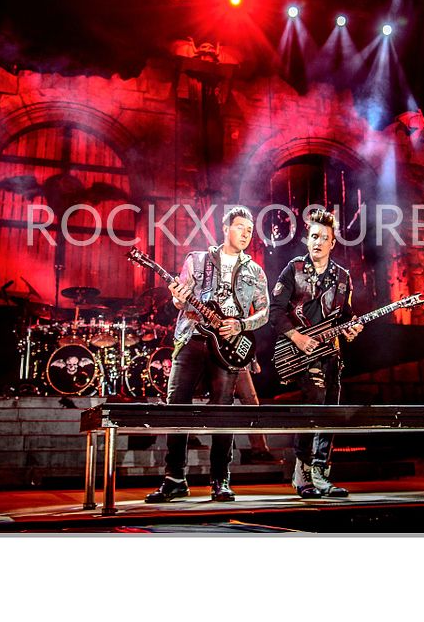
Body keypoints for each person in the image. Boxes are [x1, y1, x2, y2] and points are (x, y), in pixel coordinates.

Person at [145, 206, 270, 503]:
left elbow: (265, 312)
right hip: (192, 338)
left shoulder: (255, 271)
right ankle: (175, 478)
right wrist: (177, 298)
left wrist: (241, 325)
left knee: (222, 411)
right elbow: (180, 300)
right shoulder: (197, 260)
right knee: (177, 405)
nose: (245, 234)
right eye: (239, 227)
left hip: (227, 348)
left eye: (249, 230)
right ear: (225, 229)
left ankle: (220, 479)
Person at [268, 208, 362, 499]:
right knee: (314, 401)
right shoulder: (293, 270)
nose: (317, 242)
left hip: (331, 354)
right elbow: (275, 311)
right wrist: (296, 337)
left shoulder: (343, 277)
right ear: (307, 239)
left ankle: (321, 474)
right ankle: (303, 472)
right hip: (301, 353)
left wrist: (352, 328)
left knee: (330, 411)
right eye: (313, 236)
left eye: (324, 237)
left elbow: (345, 315)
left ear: (333, 242)